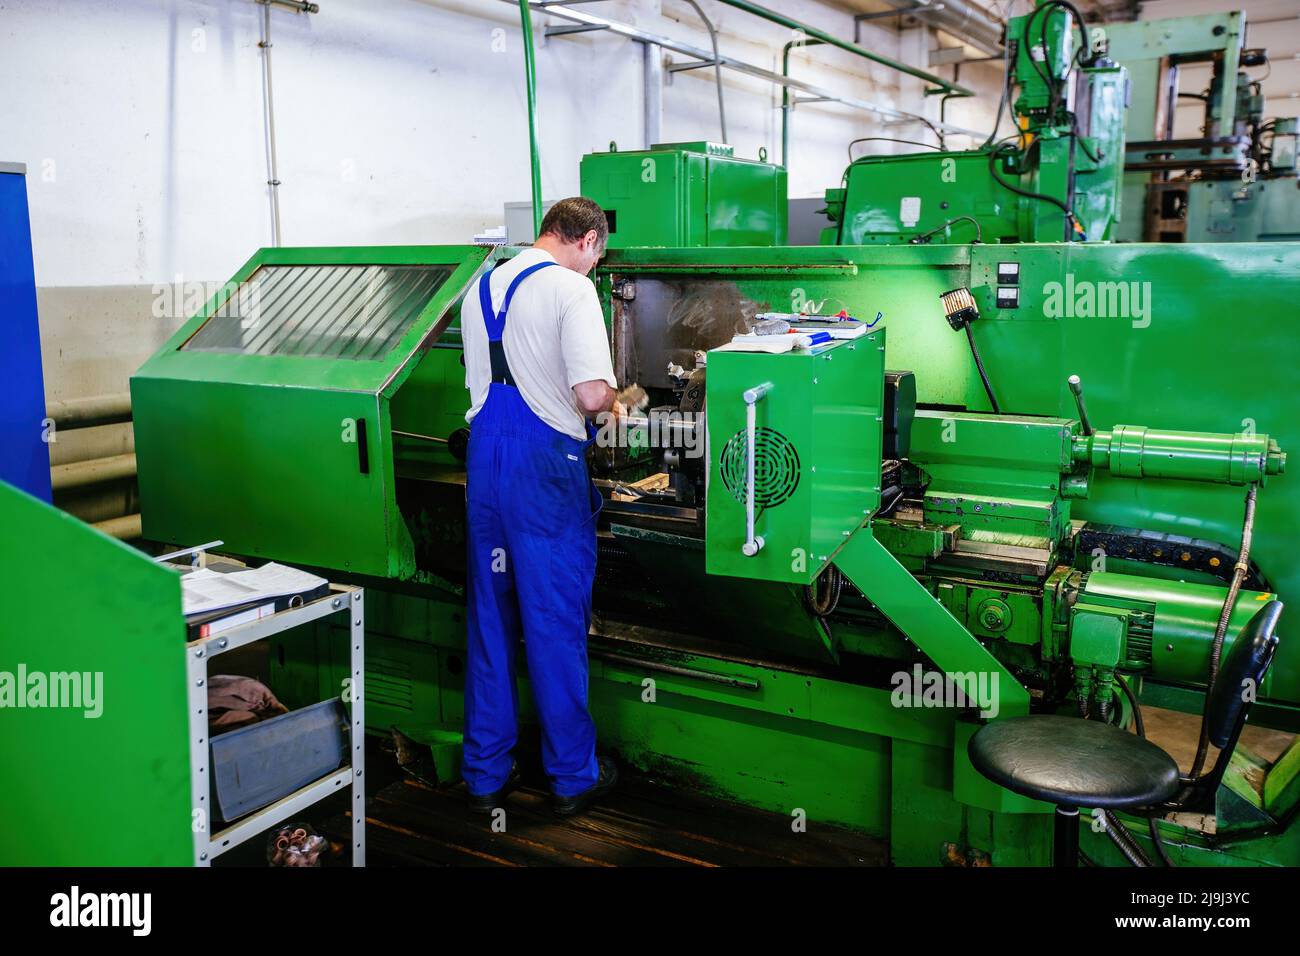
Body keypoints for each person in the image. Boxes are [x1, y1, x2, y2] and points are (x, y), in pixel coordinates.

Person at [458, 197, 621, 817]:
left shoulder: (481, 286)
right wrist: (620, 397)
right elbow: (587, 395)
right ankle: (573, 778)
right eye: (596, 259)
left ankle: (484, 775)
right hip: (544, 471)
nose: (593, 271)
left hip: (486, 463)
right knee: (553, 624)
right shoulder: (572, 292)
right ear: (585, 241)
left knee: (490, 622)